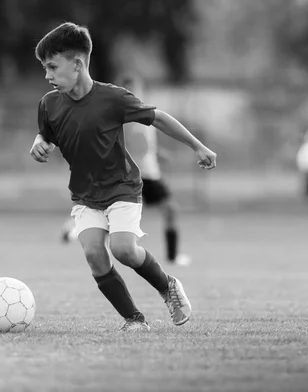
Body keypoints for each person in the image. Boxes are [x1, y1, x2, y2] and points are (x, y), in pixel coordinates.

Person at [30, 22, 217, 332]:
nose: (47, 75)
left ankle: (167, 285)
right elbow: (46, 135)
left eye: (52, 66)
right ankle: (134, 320)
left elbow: (158, 118)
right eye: (44, 68)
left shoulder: (112, 98)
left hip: (122, 188)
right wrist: (39, 143)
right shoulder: (48, 104)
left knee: (123, 250)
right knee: (94, 254)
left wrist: (197, 146)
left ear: (77, 64)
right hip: (85, 194)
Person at [61, 73, 192, 267]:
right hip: (130, 174)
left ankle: (173, 256)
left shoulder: (146, 111)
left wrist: (156, 154)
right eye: (128, 89)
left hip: (149, 173)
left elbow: (143, 143)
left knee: (169, 210)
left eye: (135, 88)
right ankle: (73, 228)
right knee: (109, 214)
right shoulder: (121, 113)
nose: (132, 92)